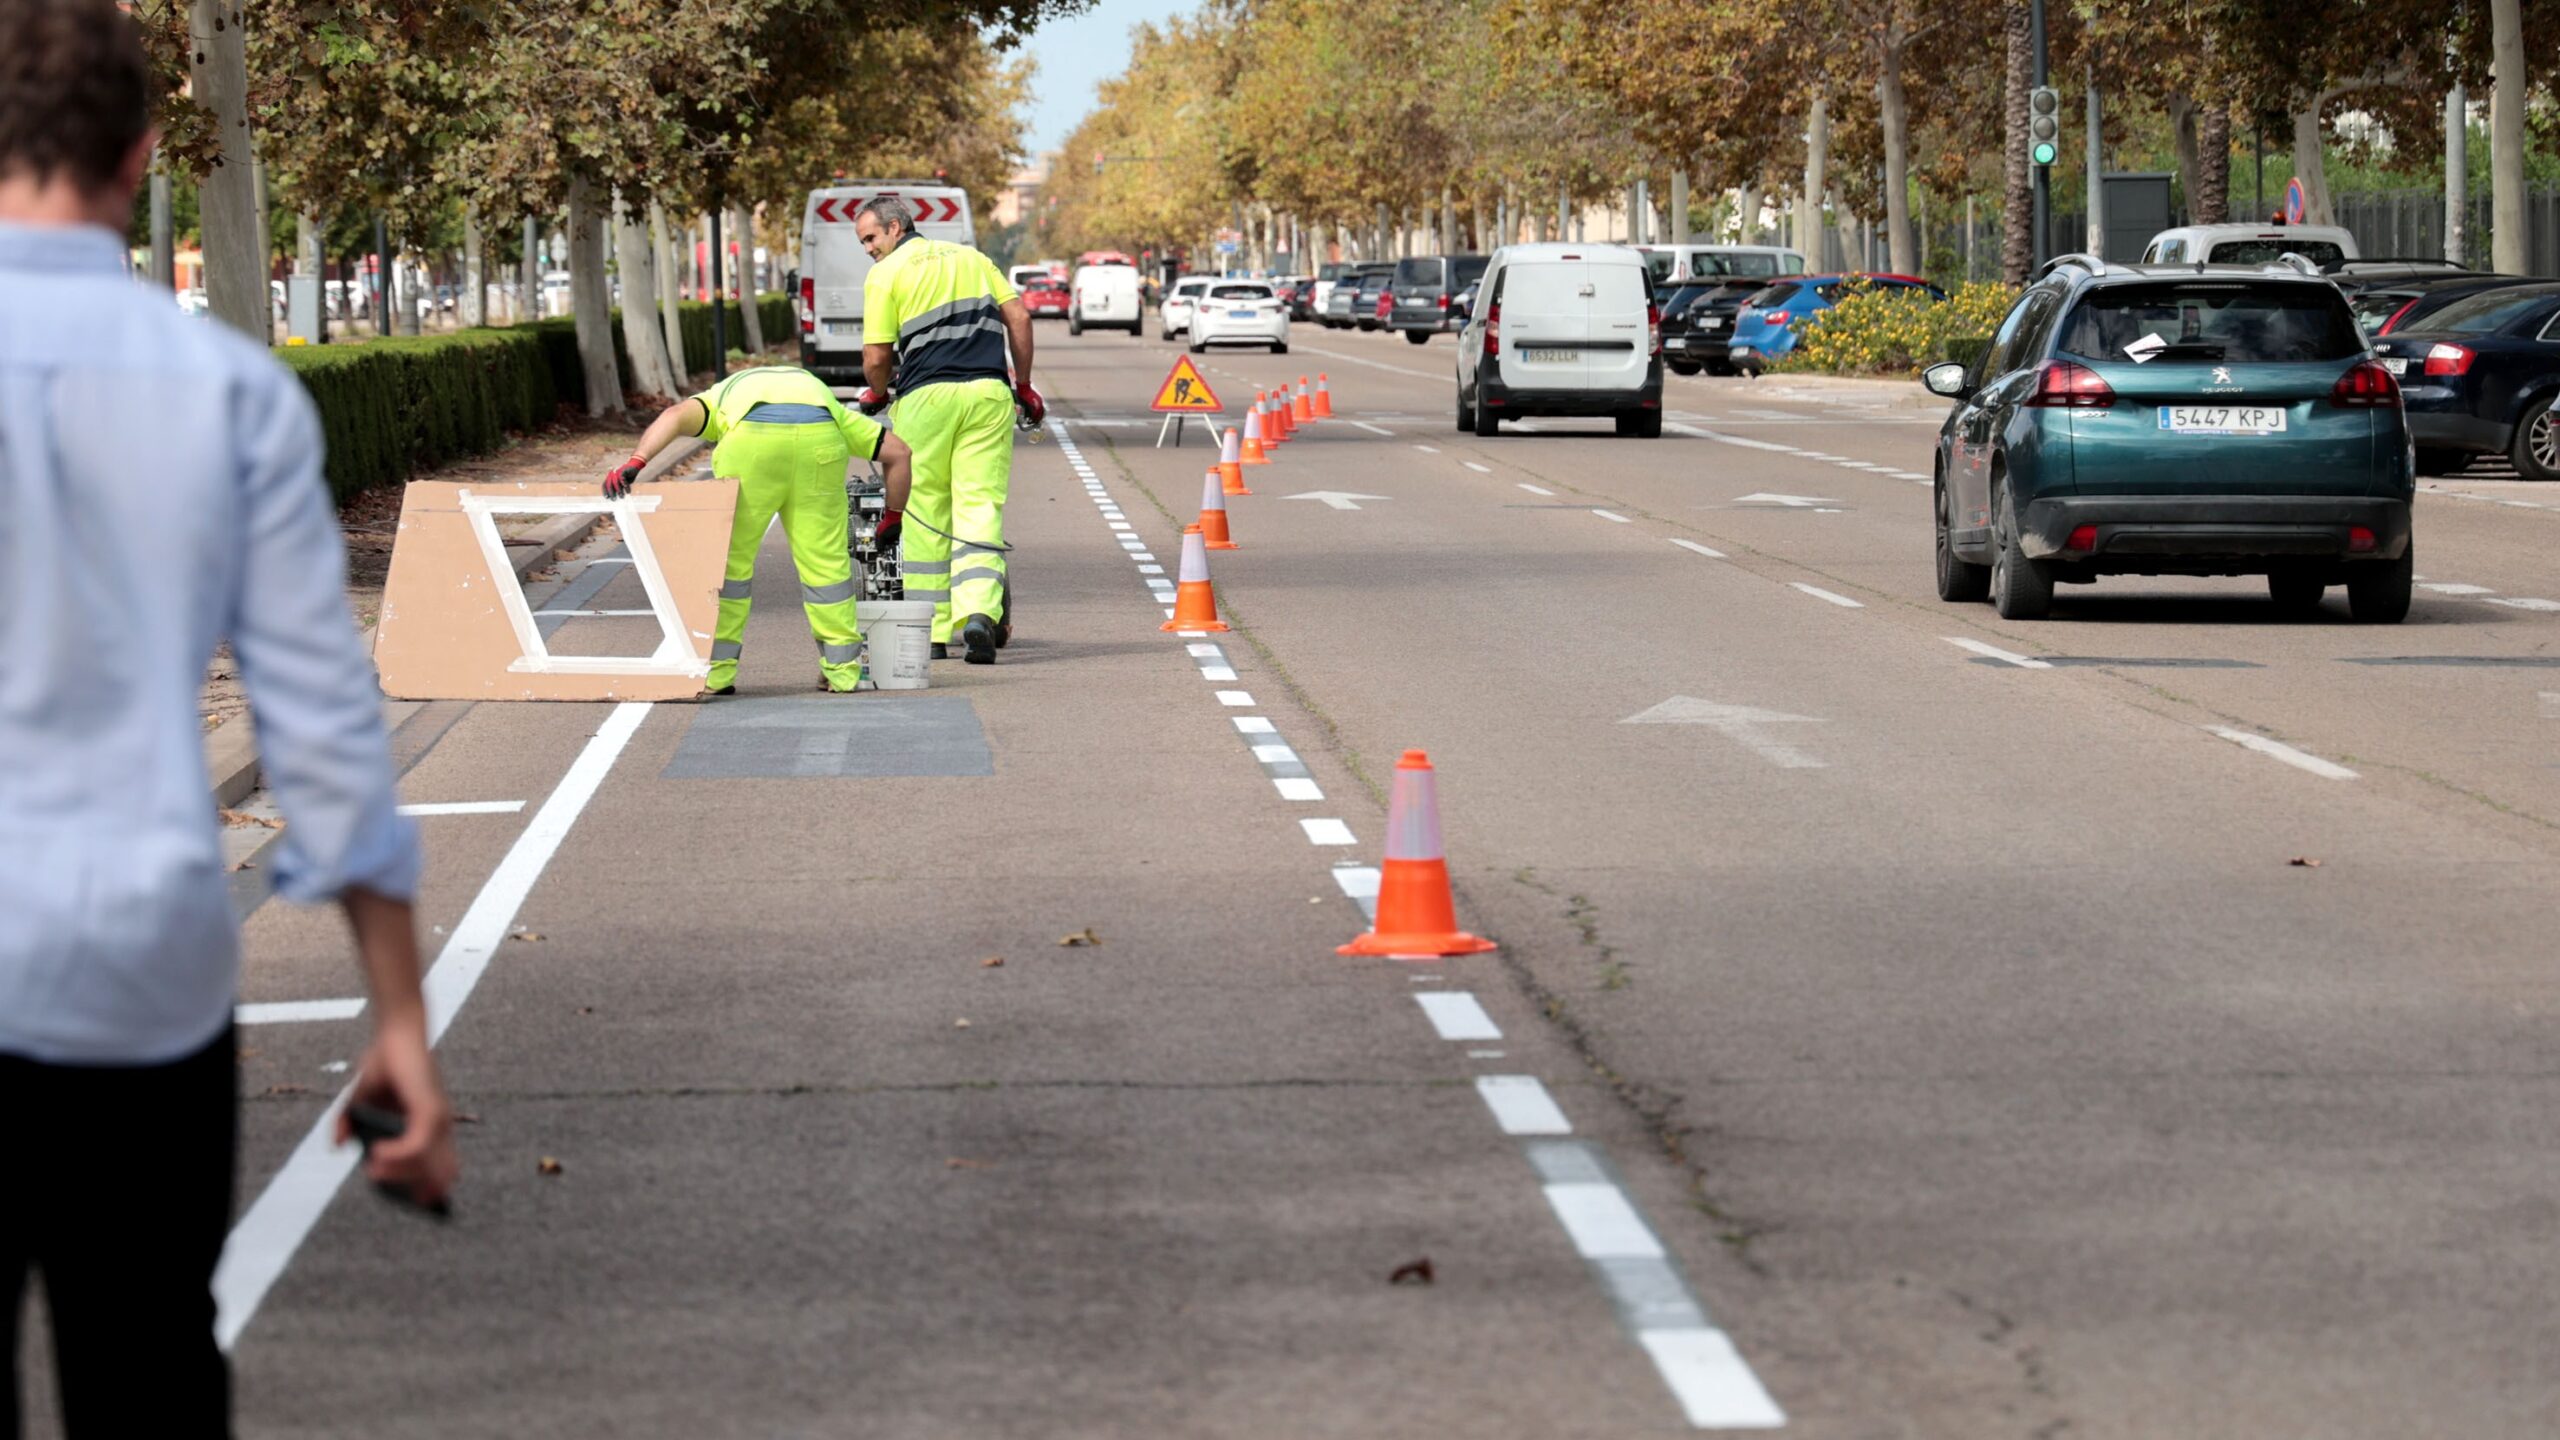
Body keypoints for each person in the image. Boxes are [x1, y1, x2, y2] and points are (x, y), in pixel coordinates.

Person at [0, 1, 456, 1433]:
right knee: (147, 1361)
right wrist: (399, 1017)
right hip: (138, 976)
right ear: (146, 154)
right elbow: (321, 728)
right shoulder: (229, 395)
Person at [605, 365, 912, 694]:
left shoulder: (720, 397)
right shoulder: (826, 404)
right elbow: (900, 453)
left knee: (731, 566)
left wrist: (637, 461)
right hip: (820, 440)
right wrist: (893, 517)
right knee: (826, 568)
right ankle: (843, 671)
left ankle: (718, 674)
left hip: (751, 447)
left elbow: (676, 415)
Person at [852, 196, 1040, 664]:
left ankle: (931, 631)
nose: (868, 249)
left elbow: (877, 357)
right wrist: (1025, 384)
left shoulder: (886, 274)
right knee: (979, 505)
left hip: (925, 400)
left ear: (895, 228)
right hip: (988, 395)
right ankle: (977, 615)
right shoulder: (973, 258)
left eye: (871, 238)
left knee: (925, 511)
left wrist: (876, 392)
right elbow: (1018, 316)